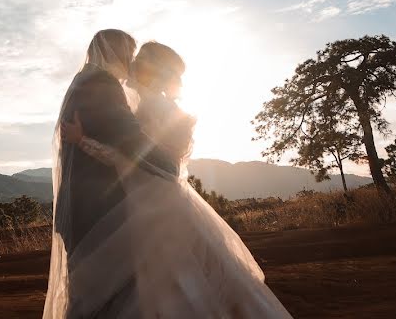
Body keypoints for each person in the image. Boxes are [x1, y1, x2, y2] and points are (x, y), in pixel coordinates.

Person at [59, 41, 293, 318]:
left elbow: (149, 164)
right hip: (144, 201)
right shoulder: (139, 103)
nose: (133, 63)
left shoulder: (162, 110)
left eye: (141, 60)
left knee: (166, 281)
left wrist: (83, 141)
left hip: (156, 206)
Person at [43, 30, 181, 319]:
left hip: (76, 207)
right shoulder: (103, 85)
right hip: (100, 210)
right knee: (108, 292)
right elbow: (130, 138)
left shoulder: (79, 82)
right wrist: (167, 164)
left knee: (85, 290)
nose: (130, 61)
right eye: (128, 54)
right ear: (115, 52)